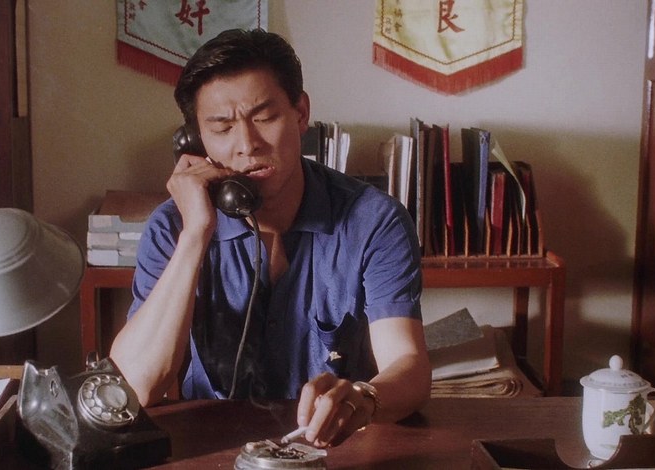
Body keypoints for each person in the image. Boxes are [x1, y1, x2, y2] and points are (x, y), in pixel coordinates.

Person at [110, 28, 431, 448]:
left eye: (264, 118)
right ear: (196, 141)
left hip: (338, 446)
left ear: (301, 113)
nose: (247, 145)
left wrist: (365, 397)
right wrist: (196, 235)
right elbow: (135, 388)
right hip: (214, 447)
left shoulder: (375, 221)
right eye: (222, 128)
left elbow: (408, 363)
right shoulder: (173, 227)